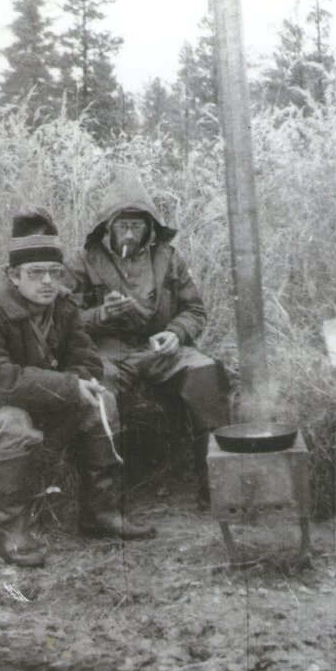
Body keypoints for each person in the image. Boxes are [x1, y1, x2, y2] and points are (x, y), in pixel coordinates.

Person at [0, 209, 155, 567]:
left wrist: (79, 383)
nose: (49, 282)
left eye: (55, 272)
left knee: (102, 402)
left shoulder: (61, 305)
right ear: (14, 275)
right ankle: (10, 532)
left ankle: (100, 512)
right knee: (11, 422)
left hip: (27, 400)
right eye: (36, 273)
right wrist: (68, 386)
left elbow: (86, 360)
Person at [66, 167, 229, 506]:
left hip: (159, 348)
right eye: (122, 225)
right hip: (105, 352)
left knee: (204, 373)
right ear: (107, 226)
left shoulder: (168, 258)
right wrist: (100, 315)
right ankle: (105, 504)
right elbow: (61, 322)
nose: (129, 233)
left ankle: (216, 487)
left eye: (137, 225)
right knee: (97, 391)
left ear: (150, 227)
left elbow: (195, 310)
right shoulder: (84, 261)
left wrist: (175, 333)